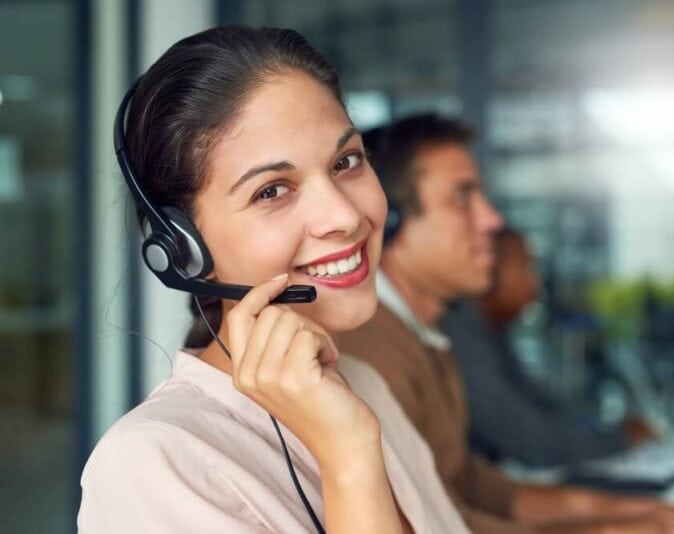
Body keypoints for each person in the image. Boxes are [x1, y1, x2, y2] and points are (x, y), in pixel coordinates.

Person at [77, 26, 472, 533]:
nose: (344, 216)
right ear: (184, 248)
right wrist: (348, 457)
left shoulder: (363, 384)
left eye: (345, 161)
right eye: (272, 191)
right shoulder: (151, 464)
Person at [335, 113, 674, 533]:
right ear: (388, 219)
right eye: (462, 198)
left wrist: (634, 512)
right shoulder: (371, 349)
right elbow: (435, 524)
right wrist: (613, 530)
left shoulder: (423, 333)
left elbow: (470, 486)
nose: (491, 220)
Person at [441, 228, 654, 468]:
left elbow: (544, 407)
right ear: (487, 264)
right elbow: (529, 439)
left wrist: (607, 432)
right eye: (527, 267)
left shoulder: (491, 331)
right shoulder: (459, 333)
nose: (535, 284)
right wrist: (620, 439)